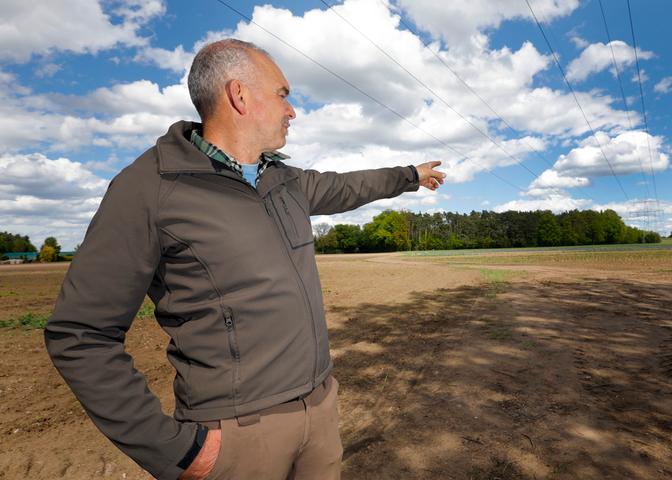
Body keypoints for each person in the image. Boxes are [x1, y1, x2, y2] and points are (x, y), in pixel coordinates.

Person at [44, 38, 446, 480]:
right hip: (237, 435)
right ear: (239, 95)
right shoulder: (149, 188)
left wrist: (410, 176)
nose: (292, 111)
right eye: (283, 95)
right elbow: (81, 334)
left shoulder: (285, 181)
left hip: (319, 411)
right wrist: (175, 452)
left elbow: (349, 185)